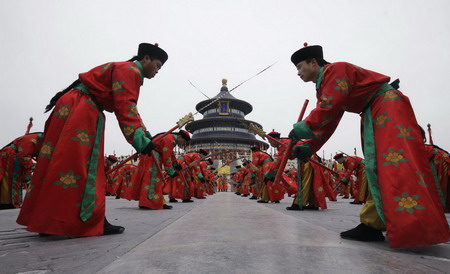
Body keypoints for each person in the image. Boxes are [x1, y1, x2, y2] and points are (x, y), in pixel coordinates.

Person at [288, 43, 449, 248]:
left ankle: (407, 224)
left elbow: (328, 109)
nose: (298, 73)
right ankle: (377, 222)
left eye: (300, 67)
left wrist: (301, 128)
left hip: (385, 107)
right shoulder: (324, 84)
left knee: (392, 165)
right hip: (375, 111)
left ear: (313, 62)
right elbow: (330, 120)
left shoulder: (335, 70)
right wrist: (310, 146)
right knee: (379, 166)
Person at [17, 43, 168, 236]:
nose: (157, 71)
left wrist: (145, 136)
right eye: (157, 65)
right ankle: (73, 220)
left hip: (72, 106)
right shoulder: (130, 70)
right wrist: (140, 140)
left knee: (61, 161)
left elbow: (129, 108)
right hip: (82, 109)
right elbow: (126, 106)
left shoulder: (124, 69)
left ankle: (50, 219)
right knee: (80, 165)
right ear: (145, 59)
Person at [0, 133, 43, 209]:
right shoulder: (33, 139)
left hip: (19, 158)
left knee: (20, 180)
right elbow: (23, 155)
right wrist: (36, 168)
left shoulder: (44, 142)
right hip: (10, 155)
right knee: (9, 180)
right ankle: (6, 203)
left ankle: (14, 202)